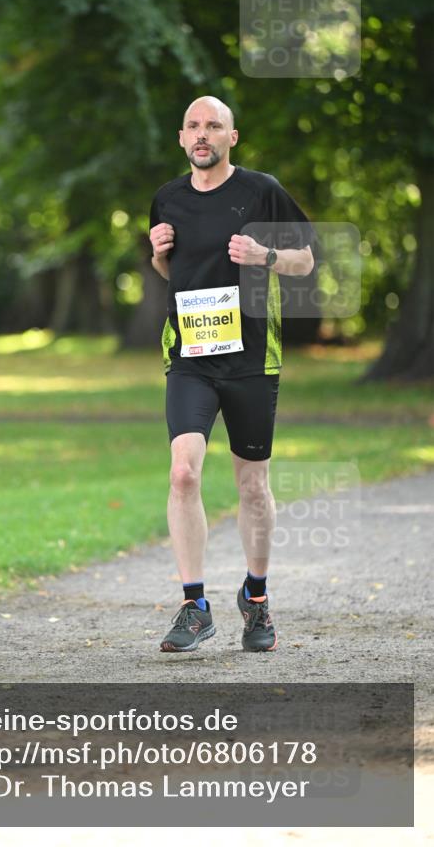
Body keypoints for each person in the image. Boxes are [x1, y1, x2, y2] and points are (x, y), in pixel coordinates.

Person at [148, 95, 314, 653]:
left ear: (231, 138)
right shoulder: (166, 199)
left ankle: (257, 599)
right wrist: (157, 254)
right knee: (183, 474)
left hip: (249, 359)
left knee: (252, 483)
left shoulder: (261, 191)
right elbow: (172, 270)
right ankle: (194, 605)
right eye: (193, 126)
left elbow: (306, 260)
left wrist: (265, 255)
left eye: (213, 126)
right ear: (181, 138)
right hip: (191, 357)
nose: (203, 135)